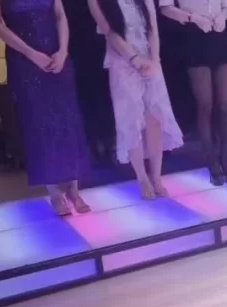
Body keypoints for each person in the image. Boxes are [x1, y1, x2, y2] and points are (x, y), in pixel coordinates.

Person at [0, 0, 92, 216]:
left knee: (67, 120)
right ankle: (55, 193)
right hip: (24, 60)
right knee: (39, 124)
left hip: (57, 55)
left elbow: (60, 15)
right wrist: (31, 54)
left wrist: (63, 51)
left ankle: (73, 189)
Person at [88, 0, 184, 198]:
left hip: (150, 60)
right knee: (131, 121)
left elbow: (153, 30)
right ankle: (142, 178)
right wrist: (134, 59)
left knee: (155, 119)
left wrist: (155, 61)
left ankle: (156, 177)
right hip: (122, 62)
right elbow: (110, 32)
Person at [159, 0, 227, 186]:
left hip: (219, 37)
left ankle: (225, 159)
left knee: (224, 106)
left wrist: (223, 16)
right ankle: (212, 161)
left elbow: (226, 6)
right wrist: (192, 17)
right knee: (205, 105)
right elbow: (165, 8)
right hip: (194, 38)